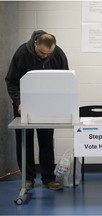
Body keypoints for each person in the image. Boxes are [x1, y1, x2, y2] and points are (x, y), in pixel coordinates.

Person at [5, 30, 69, 190]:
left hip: (48, 105)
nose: (45, 56)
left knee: (47, 141)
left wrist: (62, 103)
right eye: (41, 53)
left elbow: (66, 79)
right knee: (24, 141)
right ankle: (28, 179)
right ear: (35, 44)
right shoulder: (21, 54)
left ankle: (48, 179)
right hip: (23, 105)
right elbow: (11, 81)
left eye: (49, 53)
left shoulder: (58, 54)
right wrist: (18, 101)